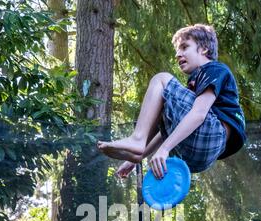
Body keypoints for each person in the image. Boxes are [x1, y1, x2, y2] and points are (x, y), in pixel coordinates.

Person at [97, 23, 246, 180]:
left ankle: (137, 139)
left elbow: (199, 114)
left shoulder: (214, 69)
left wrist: (164, 149)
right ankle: (137, 148)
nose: (178, 54)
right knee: (162, 104)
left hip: (213, 136)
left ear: (203, 49)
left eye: (184, 47)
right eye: (177, 50)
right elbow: (168, 129)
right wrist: (137, 157)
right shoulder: (193, 88)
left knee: (161, 79)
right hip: (198, 159)